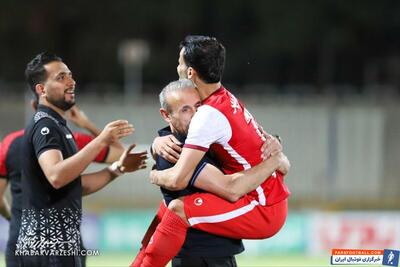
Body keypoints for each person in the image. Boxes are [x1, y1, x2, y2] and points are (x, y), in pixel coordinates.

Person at [139, 36, 291, 267]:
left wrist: (153, 175)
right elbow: (270, 152)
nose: (177, 67)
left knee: (178, 208)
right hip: (267, 196)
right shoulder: (226, 99)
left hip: (262, 206)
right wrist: (155, 144)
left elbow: (179, 179)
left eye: (180, 62)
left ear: (190, 72)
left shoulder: (208, 115)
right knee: (168, 210)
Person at [15, 52, 147, 267]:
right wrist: (101, 139)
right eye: (61, 78)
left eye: (70, 75)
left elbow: (76, 186)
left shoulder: (57, 125)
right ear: (41, 90)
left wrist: (118, 169)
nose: (71, 81)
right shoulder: (45, 126)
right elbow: (56, 176)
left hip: (61, 244)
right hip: (49, 246)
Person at [0, 103, 125, 267]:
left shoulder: (10, 143)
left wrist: (10, 217)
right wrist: (85, 123)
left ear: (33, 105)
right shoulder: (72, 139)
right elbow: (120, 153)